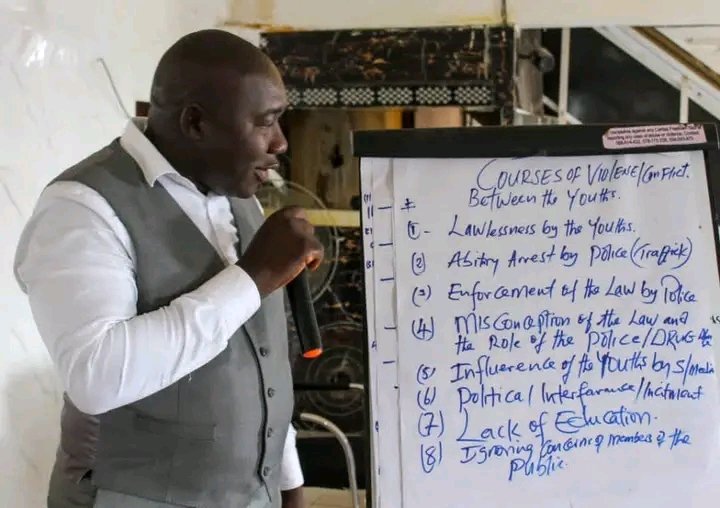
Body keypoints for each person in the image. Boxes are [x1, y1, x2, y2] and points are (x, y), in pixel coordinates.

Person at [14, 29, 323, 508]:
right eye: (266, 122)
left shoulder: (241, 199)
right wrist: (253, 277)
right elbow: (95, 376)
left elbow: (261, 362)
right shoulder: (81, 207)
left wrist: (288, 486)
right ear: (195, 123)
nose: (281, 142)